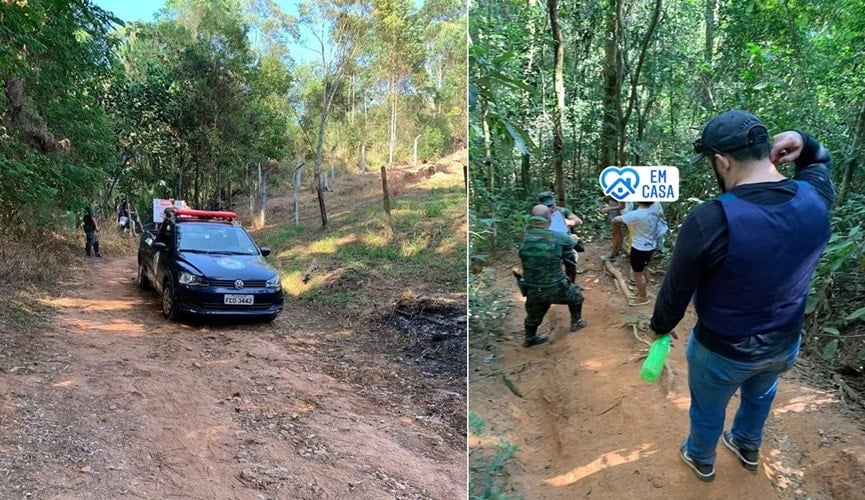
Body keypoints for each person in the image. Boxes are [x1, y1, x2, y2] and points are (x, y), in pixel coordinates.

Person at [648, 110, 834, 482]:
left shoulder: (710, 219)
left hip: (721, 349)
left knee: (707, 406)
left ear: (722, 161)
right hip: (783, 344)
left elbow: (675, 292)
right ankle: (747, 445)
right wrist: (802, 137)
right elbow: (819, 159)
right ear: (771, 150)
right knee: (761, 395)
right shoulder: (816, 197)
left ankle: (701, 457)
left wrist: (660, 331)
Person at [518, 204, 587, 347]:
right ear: (549, 219)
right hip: (555, 288)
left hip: (532, 289)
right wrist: (574, 237)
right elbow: (571, 242)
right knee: (576, 295)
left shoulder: (526, 237)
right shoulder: (557, 236)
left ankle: (529, 338)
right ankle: (576, 322)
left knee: (533, 314)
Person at [612, 201, 662, 306]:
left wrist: (612, 216)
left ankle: (643, 297)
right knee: (644, 268)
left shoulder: (636, 214)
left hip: (639, 249)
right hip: (650, 247)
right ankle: (641, 292)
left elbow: (617, 219)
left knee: (637, 275)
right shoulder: (654, 210)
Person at [538, 191, 583, 282]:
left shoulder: (562, 211)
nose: (551, 208)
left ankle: (570, 284)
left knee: (571, 263)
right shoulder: (538, 215)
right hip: (549, 243)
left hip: (565, 241)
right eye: (548, 206)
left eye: (552, 205)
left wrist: (570, 222)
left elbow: (578, 220)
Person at [599, 195, 626, 260]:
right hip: (616, 212)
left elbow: (622, 205)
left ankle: (613, 254)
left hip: (618, 213)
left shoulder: (621, 190)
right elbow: (615, 197)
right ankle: (618, 249)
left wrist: (608, 208)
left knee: (615, 233)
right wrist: (605, 198)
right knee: (618, 231)